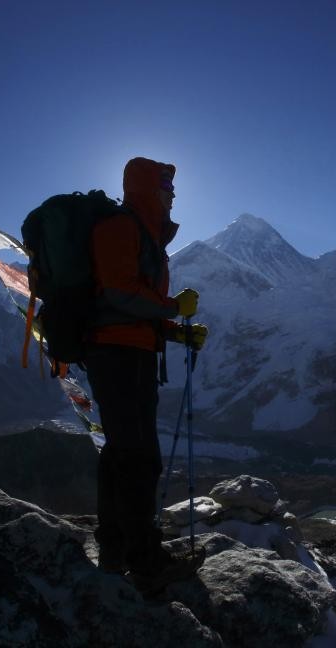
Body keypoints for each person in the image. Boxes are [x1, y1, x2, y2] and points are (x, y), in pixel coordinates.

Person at [85, 156, 209, 591]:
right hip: (118, 356)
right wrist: (174, 309)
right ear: (146, 189)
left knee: (122, 453)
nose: (173, 194)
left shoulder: (146, 235)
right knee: (138, 458)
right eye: (166, 186)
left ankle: (116, 549)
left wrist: (176, 333)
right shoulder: (122, 228)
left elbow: (133, 306)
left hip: (130, 353)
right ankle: (145, 559)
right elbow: (120, 295)